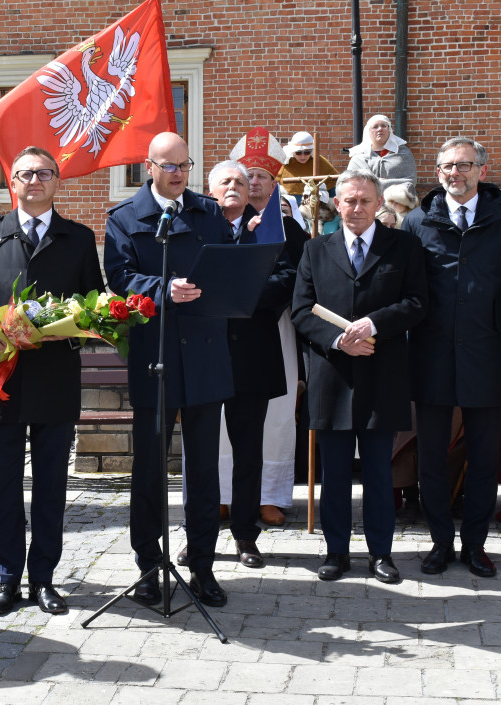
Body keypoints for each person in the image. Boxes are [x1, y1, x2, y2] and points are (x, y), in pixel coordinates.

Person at [0, 147, 103, 616]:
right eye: (25, 173)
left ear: (57, 180)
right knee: (1, 488)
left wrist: (77, 325)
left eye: (44, 173)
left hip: (55, 379)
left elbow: (93, 305)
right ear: (11, 182)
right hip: (3, 381)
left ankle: (44, 579)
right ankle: (6, 578)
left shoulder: (78, 238)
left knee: (51, 487)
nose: (35, 180)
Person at [104, 132, 233, 608]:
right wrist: (163, 288)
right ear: (149, 167)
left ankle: (202, 566)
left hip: (204, 355)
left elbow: (226, 267)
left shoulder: (209, 213)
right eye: (169, 166)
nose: (179, 174)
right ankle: (148, 565)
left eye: (185, 165)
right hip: (155, 356)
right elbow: (119, 278)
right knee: (150, 470)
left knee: (203, 471)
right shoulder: (125, 217)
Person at [292, 169, 427, 583]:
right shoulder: (316, 249)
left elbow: (417, 302)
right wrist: (339, 341)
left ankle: (381, 553)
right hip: (332, 376)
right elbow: (301, 311)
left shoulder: (403, 246)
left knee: (378, 473)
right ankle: (336, 552)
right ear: (337, 202)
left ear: (378, 203)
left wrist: (373, 324)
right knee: (334, 473)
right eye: (349, 200)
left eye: (365, 201)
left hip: (382, 375)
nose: (356, 208)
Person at [403, 137, 501, 577]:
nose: (454, 173)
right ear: (437, 173)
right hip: (432, 354)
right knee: (431, 457)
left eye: (464, 165)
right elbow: (408, 283)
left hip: (485, 353)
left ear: (482, 171)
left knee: (484, 457)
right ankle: (440, 542)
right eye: (447, 166)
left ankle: (475, 544)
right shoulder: (417, 221)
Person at [205, 157, 305, 570]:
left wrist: (239, 295)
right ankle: (199, 536)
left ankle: (246, 534)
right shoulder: (198, 226)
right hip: (205, 356)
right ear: (211, 191)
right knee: (203, 451)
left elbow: (288, 278)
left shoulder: (271, 228)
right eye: (225, 182)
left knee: (248, 452)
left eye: (240, 182)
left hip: (253, 356)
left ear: (251, 192)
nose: (233, 187)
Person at [227, 126, 311, 526]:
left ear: (275, 182)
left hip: (275, 329)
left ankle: (269, 495)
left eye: (262, 176)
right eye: (248, 176)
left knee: (275, 415)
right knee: (222, 424)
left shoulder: (290, 228)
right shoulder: (223, 223)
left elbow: (298, 277)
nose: (255, 182)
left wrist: (255, 302)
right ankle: (223, 494)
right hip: (226, 330)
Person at [347, 114, 417, 194]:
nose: (380, 129)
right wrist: (382, 183)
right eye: (375, 127)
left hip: (396, 200)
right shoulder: (358, 157)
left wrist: (377, 183)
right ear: (368, 131)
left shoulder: (403, 153)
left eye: (384, 126)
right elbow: (351, 182)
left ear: (389, 130)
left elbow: (410, 182)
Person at [278, 131, 339, 197]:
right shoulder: (283, 164)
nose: (303, 156)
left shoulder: (319, 162)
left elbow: (336, 188)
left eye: (307, 152)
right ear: (293, 151)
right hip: (290, 201)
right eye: (298, 153)